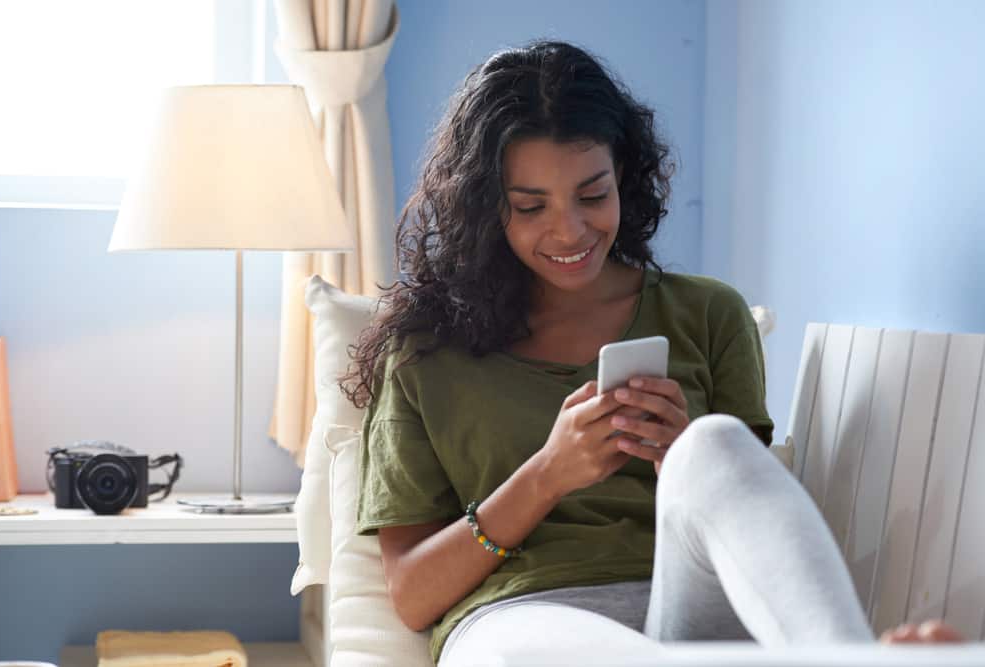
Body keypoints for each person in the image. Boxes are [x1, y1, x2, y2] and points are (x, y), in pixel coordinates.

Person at [340, 40, 963, 665]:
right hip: (524, 615)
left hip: (690, 602)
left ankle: (847, 657)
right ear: (485, 208)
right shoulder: (425, 354)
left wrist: (679, 459)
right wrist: (549, 473)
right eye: (531, 207)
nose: (570, 231)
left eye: (593, 195)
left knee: (715, 444)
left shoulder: (709, 314)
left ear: (624, 179)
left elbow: (746, 526)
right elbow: (413, 596)